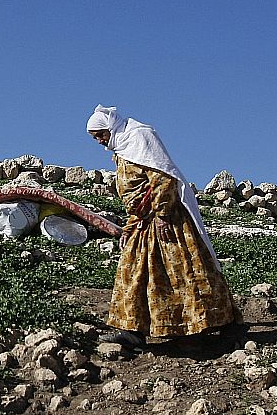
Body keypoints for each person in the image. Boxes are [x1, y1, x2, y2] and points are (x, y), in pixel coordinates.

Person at [86, 105, 241, 348]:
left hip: (167, 220)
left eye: (100, 134)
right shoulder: (122, 149)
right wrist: (131, 224)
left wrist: (162, 214)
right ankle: (132, 330)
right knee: (133, 274)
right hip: (142, 221)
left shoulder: (139, 138)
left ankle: (209, 325)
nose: (99, 141)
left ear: (111, 127)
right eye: (95, 137)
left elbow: (163, 177)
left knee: (185, 272)